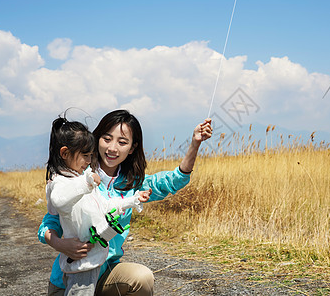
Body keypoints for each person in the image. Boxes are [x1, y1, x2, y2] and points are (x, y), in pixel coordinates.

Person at [38, 109, 212, 296]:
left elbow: (173, 181)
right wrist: (58, 243)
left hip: (106, 274)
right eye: (106, 139)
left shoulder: (133, 184)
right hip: (71, 278)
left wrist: (195, 144)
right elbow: (50, 221)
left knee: (141, 278)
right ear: (96, 139)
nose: (112, 148)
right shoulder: (79, 175)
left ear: (132, 148)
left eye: (122, 142)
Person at [45, 116, 152, 296]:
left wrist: (133, 200)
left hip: (95, 264)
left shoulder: (82, 178)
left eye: (90, 155)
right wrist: (59, 243)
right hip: (80, 264)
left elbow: (105, 205)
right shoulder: (61, 182)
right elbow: (58, 201)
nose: (89, 160)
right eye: (85, 155)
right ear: (65, 153)